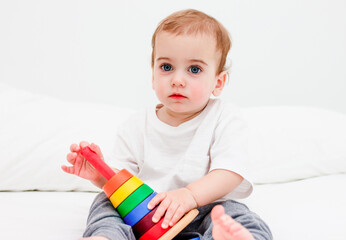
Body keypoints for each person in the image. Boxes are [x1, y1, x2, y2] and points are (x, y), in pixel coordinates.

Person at [62, 9, 272, 240]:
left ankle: (234, 237)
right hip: (144, 212)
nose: (177, 80)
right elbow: (122, 182)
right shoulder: (136, 125)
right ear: (153, 76)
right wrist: (100, 174)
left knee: (234, 214)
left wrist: (189, 196)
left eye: (194, 69)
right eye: (166, 67)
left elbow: (230, 172)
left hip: (203, 209)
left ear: (218, 82)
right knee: (105, 204)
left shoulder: (225, 117)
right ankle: (106, 236)